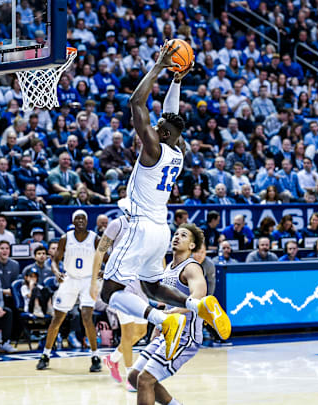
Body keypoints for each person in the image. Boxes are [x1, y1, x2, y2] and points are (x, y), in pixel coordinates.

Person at [97, 43, 230, 365]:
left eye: (158, 127)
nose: (153, 126)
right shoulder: (177, 150)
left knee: (108, 292)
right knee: (152, 286)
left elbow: (135, 102)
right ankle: (198, 306)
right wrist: (177, 80)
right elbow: (172, 117)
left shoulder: (154, 148)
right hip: (160, 228)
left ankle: (162, 320)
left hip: (140, 225)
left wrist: (158, 66)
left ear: (163, 134)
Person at [127, 224, 207, 405]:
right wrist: (159, 325)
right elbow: (166, 302)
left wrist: (172, 313)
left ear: (192, 246)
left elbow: (198, 296)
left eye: (184, 235)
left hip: (185, 336)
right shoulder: (168, 268)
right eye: (176, 234)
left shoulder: (192, 268)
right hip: (167, 331)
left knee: (145, 380)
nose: (177, 237)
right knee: (134, 377)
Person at [36, 210, 102, 372]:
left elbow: (106, 255)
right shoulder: (66, 238)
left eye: (83, 219)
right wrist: (57, 272)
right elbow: (55, 259)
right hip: (70, 279)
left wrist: (103, 270)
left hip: (88, 280)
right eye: (77, 218)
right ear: (73, 221)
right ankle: (45, 355)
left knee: (87, 316)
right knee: (57, 319)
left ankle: (95, 356)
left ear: (87, 221)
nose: (80, 221)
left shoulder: (95, 238)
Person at [93, 215, 148, 391]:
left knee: (141, 332)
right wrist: (94, 281)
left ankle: (113, 358)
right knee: (127, 332)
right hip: (120, 284)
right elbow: (100, 252)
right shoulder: (117, 224)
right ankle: (131, 377)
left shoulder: (146, 224)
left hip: (140, 283)